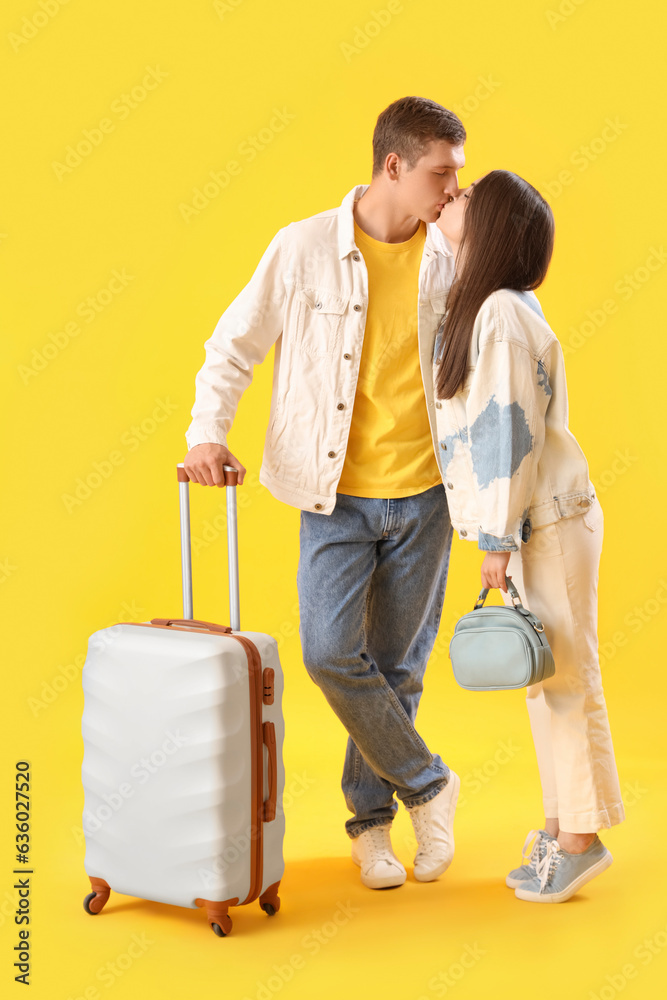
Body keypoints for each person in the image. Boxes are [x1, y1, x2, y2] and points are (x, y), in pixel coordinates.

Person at [183, 96, 468, 889]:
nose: (452, 189)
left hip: (426, 495)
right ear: (393, 166)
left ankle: (371, 829)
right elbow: (234, 344)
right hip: (333, 494)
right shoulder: (303, 247)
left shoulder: (452, 255)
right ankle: (429, 784)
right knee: (331, 654)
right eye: (441, 173)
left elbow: (501, 356)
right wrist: (205, 431)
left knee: (397, 668)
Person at [434, 169, 625, 902]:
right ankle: (558, 827)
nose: (449, 200)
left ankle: (580, 840)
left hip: (540, 521)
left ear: (490, 233)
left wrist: (495, 540)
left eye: (464, 200)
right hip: (532, 523)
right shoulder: (489, 308)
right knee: (542, 680)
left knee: (567, 679)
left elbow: (506, 436)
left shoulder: (502, 317)